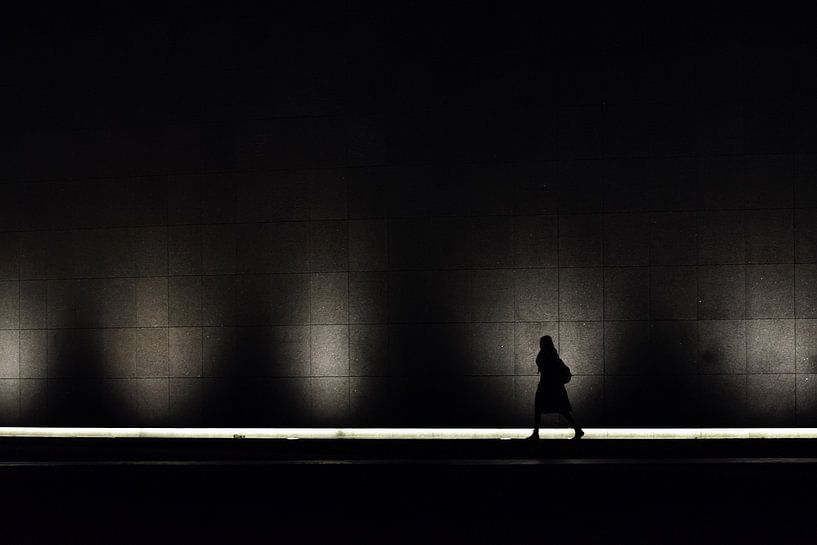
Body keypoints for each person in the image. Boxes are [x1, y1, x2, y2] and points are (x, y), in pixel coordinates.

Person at [528, 335, 584, 440]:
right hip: (554, 386)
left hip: (547, 386)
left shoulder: (546, 353)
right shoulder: (552, 353)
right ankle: (577, 429)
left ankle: (536, 433)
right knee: (560, 409)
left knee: (539, 408)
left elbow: (546, 369)